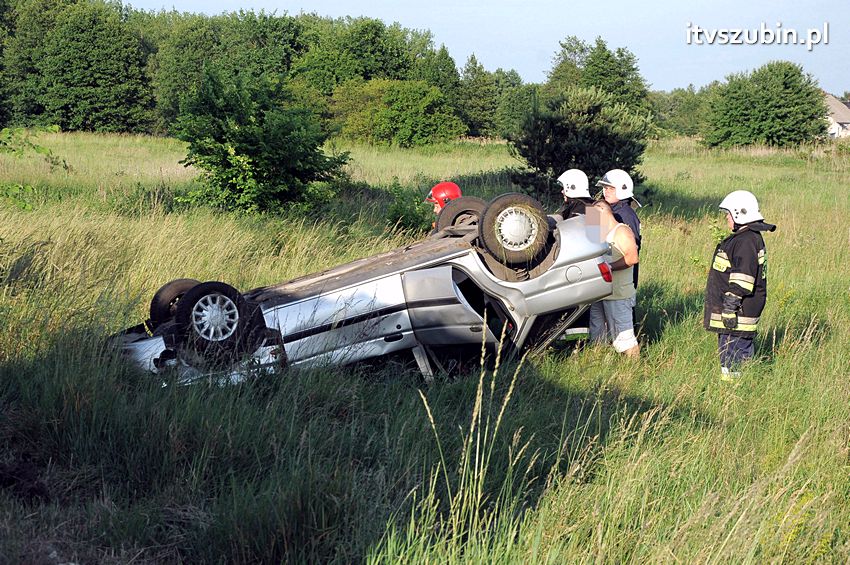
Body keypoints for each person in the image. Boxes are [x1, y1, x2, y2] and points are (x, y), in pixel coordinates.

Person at [704, 190, 775, 382]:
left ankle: (733, 393)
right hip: (739, 313)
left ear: (738, 213)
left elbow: (742, 280)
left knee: (733, 357)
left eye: (728, 213)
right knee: (734, 355)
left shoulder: (746, 241)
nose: (726, 218)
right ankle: (737, 387)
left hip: (738, 314)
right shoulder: (748, 238)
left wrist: (729, 309)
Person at [586, 200, 641, 357]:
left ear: (602, 212)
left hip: (618, 295)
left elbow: (632, 258)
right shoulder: (601, 233)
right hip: (600, 294)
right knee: (598, 335)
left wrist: (609, 267)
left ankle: (635, 369)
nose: (593, 223)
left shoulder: (622, 231)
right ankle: (599, 364)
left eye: (594, 218)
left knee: (625, 338)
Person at [597, 169, 642, 289]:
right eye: (605, 188)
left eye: (611, 188)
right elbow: (594, 239)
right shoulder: (602, 208)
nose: (606, 191)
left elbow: (632, 254)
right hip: (604, 283)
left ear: (623, 189)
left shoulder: (626, 214)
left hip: (621, 285)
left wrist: (608, 267)